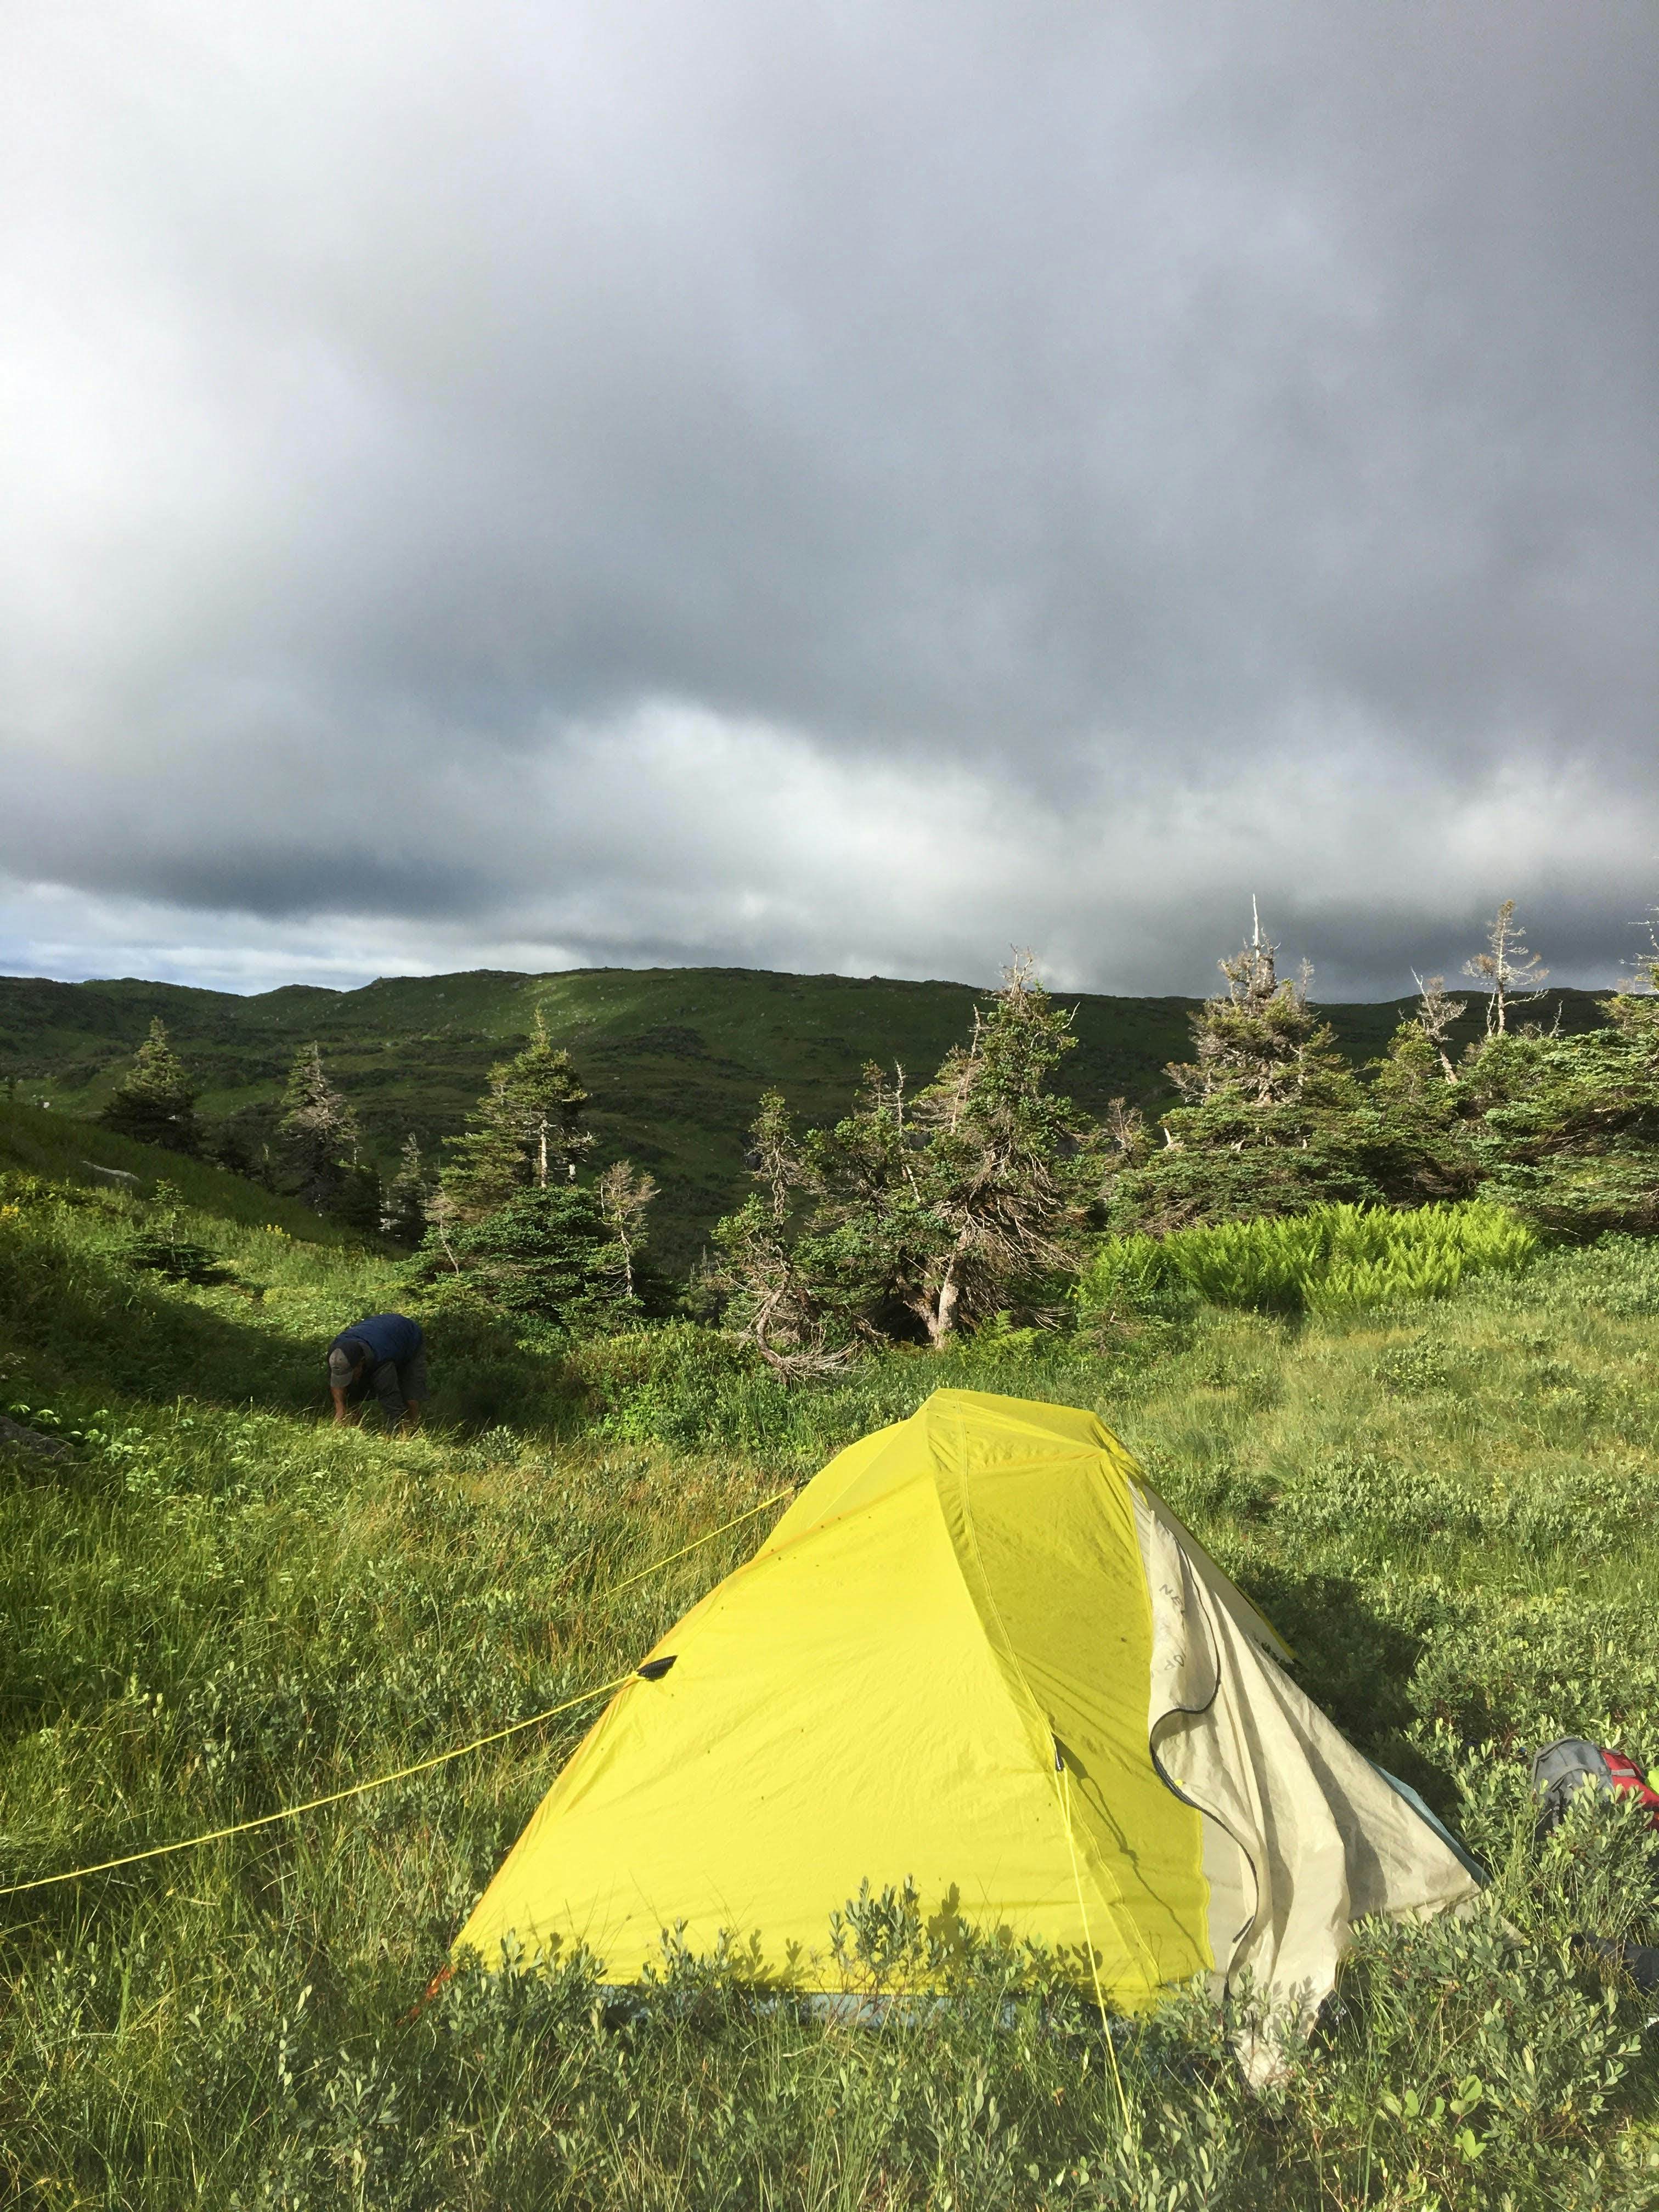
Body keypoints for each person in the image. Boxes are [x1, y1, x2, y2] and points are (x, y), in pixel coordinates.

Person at [327, 1311, 426, 1435]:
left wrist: (392, 1435)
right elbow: (338, 1385)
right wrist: (340, 1410)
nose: (348, 1379)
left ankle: (410, 1432)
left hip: (408, 1337)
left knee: (409, 1397)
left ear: (361, 1364)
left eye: (351, 1373)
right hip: (378, 1334)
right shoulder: (336, 1354)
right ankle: (353, 1427)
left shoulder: (382, 1361)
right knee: (351, 1390)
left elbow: (392, 1404)